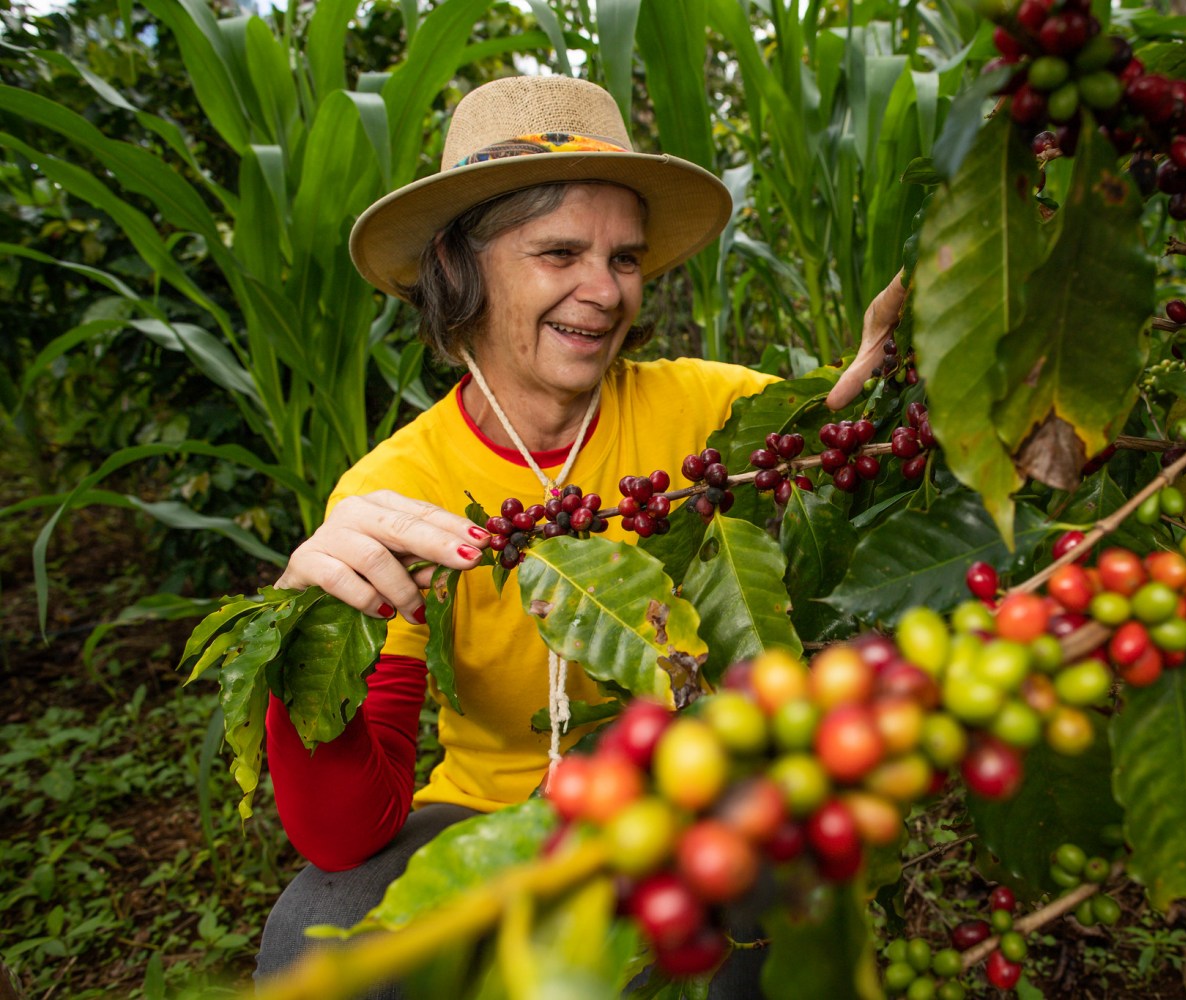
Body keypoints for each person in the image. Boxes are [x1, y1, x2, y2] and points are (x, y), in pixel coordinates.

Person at [253, 75, 905, 996]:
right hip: (494, 814)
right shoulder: (398, 491)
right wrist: (303, 643)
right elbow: (342, 836)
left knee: (775, 891)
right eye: (559, 252)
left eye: (626, 259)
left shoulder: (711, 413)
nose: (604, 292)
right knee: (312, 940)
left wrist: (894, 370)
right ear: (462, 268)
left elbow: (845, 437)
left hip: (689, 797)